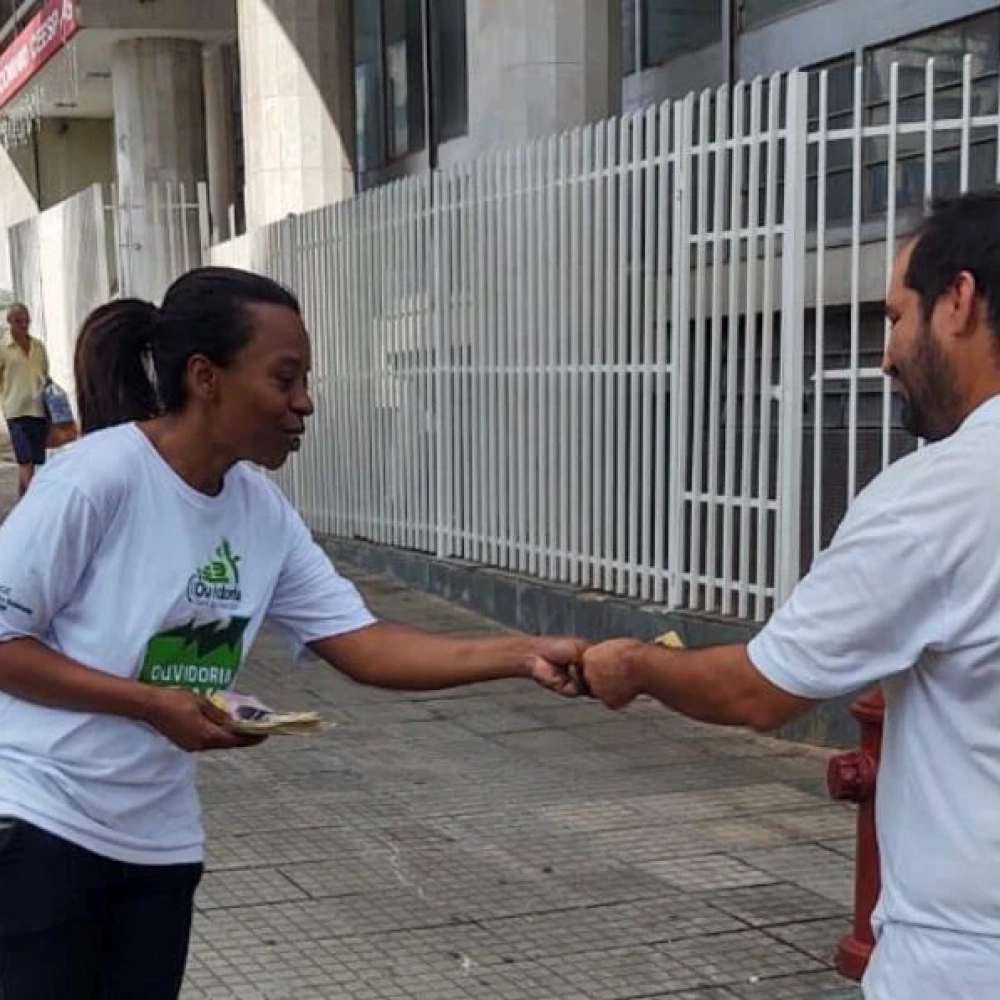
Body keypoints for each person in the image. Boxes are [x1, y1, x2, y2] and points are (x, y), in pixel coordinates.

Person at [0, 266, 587, 1000]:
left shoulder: (261, 513)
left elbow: (364, 644)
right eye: (285, 379)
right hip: (39, 821)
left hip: (158, 840)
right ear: (206, 377)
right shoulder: (97, 479)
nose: (304, 403)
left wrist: (525, 653)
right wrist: (148, 703)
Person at [580, 188, 1000, 1000]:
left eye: (892, 317)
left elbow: (760, 692)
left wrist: (637, 666)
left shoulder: (943, 496)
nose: (885, 355)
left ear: (958, 301)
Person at [0, 302, 50, 496]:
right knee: (25, 459)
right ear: (9, 322)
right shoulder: (3, 348)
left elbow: (45, 374)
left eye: (26, 321)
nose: (24, 325)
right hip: (16, 412)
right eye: (19, 321)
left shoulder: (38, 347)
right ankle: (33, 503)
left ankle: (24, 500)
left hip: (38, 410)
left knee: (35, 462)